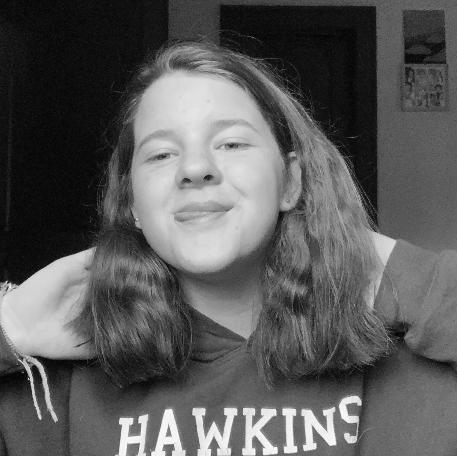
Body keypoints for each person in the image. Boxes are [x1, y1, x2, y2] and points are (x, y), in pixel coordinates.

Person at [0, 40, 456, 456]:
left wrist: (404, 276)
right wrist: (11, 328)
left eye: (232, 143)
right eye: (161, 154)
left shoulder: (417, 362)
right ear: (133, 203)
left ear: (290, 182)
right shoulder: (53, 379)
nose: (195, 168)